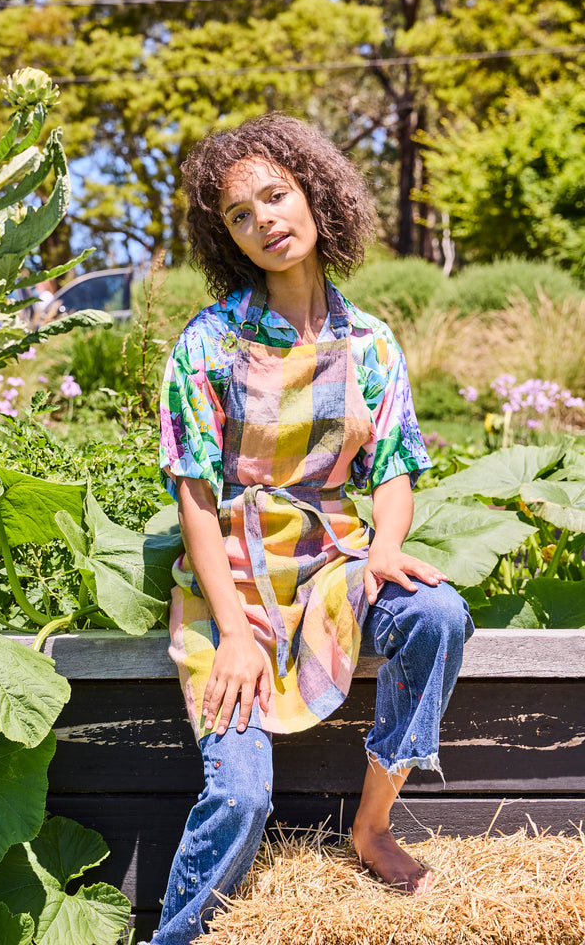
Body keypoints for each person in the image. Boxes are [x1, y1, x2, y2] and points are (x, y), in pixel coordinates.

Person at [150, 114, 474, 945]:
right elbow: (194, 496)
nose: (265, 221)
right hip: (236, 580)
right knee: (242, 795)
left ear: (315, 195)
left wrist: (389, 546)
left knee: (436, 614)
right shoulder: (207, 343)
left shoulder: (370, 343)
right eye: (240, 215)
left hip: (335, 562)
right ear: (228, 239)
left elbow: (394, 464)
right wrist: (230, 631)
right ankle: (175, 936)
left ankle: (372, 826)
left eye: (275, 195)